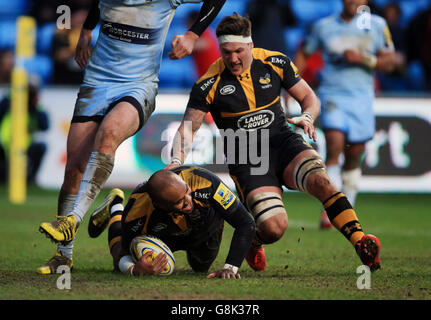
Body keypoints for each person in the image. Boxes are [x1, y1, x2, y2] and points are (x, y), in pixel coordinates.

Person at [165, 13, 382, 273]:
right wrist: (176, 162)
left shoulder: (275, 62)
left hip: (283, 142)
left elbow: (309, 97)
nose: (233, 58)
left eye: (238, 51)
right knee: (273, 228)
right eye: (226, 52)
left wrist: (308, 116)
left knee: (321, 181)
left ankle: (361, 242)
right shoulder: (208, 83)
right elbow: (188, 128)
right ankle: (254, 241)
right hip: (247, 157)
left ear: (250, 45)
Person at [37, 0, 227, 275]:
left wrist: (193, 33)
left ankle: (73, 220)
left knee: (108, 135)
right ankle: (63, 256)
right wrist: (87, 31)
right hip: (97, 81)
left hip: (138, 85)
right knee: (73, 168)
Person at [294, 0, 396, 228]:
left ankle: (346, 205)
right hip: (332, 95)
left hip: (362, 97)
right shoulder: (324, 26)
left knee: (355, 152)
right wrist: (291, 85)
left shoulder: (377, 25)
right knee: (334, 143)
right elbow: (303, 52)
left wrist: (363, 59)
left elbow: (390, 62)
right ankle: (328, 208)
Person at [88, 166, 256, 278]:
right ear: (159, 205)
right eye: (179, 202)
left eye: (187, 192)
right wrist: (135, 269)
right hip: (162, 235)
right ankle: (116, 206)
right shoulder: (137, 212)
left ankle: (116, 205)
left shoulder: (204, 181)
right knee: (118, 257)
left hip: (205, 227)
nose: (188, 201)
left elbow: (246, 223)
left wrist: (230, 268)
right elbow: (122, 257)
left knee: (201, 269)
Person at [0, 78, 49, 183]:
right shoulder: (8, 100)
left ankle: (31, 179)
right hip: (5, 142)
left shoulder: (36, 107)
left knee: (41, 147)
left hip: (25, 144)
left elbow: (45, 126)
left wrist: (34, 106)